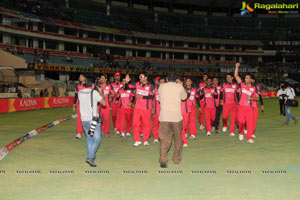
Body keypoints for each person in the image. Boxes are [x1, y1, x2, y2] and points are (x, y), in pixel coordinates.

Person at [158, 72, 187, 168]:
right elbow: (184, 97)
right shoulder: (179, 87)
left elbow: (159, 99)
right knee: (178, 139)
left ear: (166, 79)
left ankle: (163, 159)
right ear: (176, 79)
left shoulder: (161, 86)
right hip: (176, 117)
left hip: (164, 116)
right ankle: (176, 159)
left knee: (164, 139)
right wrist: (181, 85)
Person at [78, 78, 106, 167]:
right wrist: (101, 92)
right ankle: (90, 156)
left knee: (89, 138)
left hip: (84, 119)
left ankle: (91, 155)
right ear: (93, 85)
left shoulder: (80, 92)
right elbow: (104, 103)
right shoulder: (94, 93)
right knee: (97, 139)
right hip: (93, 120)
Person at [124, 72, 155, 147]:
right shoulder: (137, 84)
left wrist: (143, 97)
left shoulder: (151, 86)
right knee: (135, 123)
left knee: (146, 124)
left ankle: (145, 140)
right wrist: (127, 82)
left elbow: (152, 96)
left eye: (141, 77)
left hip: (146, 108)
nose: (140, 78)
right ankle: (137, 140)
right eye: (139, 77)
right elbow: (127, 88)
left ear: (146, 77)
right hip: (137, 107)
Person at [234, 63, 259, 143]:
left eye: (247, 78)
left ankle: (249, 138)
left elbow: (257, 98)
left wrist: (251, 98)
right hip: (241, 106)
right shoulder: (242, 85)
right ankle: (241, 132)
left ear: (251, 79)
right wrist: (237, 67)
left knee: (249, 123)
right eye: (245, 78)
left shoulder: (254, 88)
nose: (246, 79)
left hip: (249, 108)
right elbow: (236, 76)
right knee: (241, 121)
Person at [181, 78, 197, 145]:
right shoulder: (182, 89)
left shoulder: (194, 89)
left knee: (192, 121)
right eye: (186, 81)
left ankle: (192, 134)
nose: (187, 82)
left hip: (192, 107)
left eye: (189, 81)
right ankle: (185, 133)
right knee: (185, 121)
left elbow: (196, 97)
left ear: (191, 82)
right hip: (185, 107)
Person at [73, 74, 87, 139]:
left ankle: (88, 131)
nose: (80, 77)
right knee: (79, 118)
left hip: (87, 105)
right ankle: (79, 133)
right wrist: (74, 105)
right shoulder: (77, 85)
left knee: (87, 118)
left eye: (82, 76)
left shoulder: (89, 85)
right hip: (80, 104)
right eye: (80, 76)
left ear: (85, 78)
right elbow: (76, 96)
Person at [152, 77, 164, 144]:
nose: (162, 83)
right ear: (158, 82)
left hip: (164, 111)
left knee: (164, 126)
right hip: (156, 110)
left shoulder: (166, 90)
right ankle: (156, 138)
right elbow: (151, 100)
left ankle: (163, 137)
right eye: (161, 82)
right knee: (155, 125)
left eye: (163, 82)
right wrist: (152, 108)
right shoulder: (154, 90)